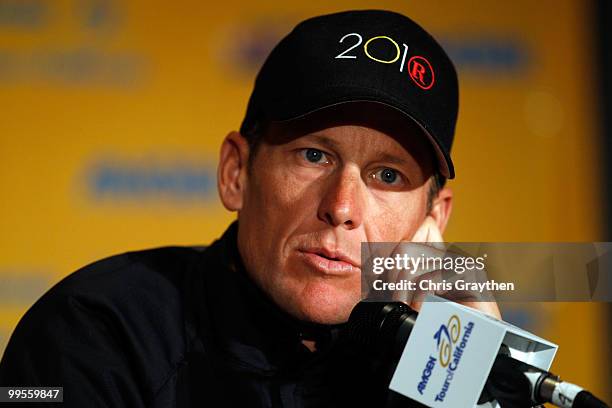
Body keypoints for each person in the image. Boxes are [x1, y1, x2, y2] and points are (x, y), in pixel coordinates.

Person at [0, 9, 499, 407]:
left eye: (388, 175)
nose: (342, 207)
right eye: (314, 155)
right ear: (236, 173)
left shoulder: (446, 376)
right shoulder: (95, 331)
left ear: (433, 221)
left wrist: (466, 373)